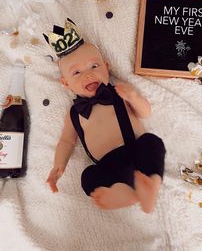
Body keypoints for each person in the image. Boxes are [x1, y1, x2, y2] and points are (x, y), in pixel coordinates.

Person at [44, 19, 166, 213]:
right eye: (76, 72)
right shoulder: (74, 112)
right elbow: (67, 140)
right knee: (88, 177)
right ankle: (124, 193)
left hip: (136, 152)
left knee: (152, 142)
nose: (88, 75)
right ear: (65, 83)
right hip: (108, 167)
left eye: (94, 66)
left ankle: (151, 184)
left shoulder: (119, 92)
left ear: (106, 67)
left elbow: (145, 113)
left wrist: (134, 97)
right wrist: (59, 165)